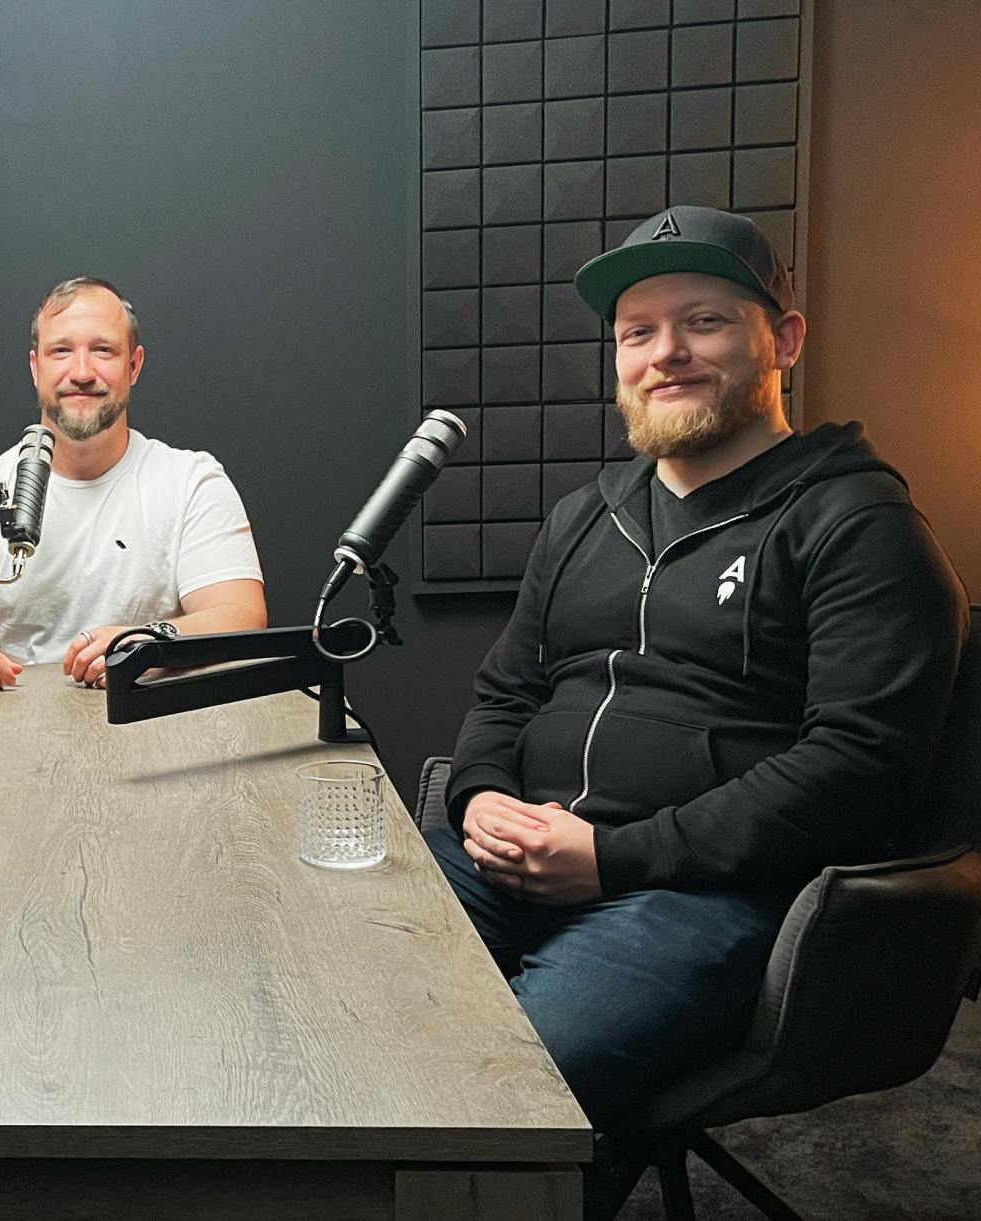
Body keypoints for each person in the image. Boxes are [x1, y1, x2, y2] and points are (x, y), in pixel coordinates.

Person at [428, 205, 967, 1210]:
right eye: (637, 332)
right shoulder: (580, 517)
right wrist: (477, 797)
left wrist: (609, 860)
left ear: (784, 340)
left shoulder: (854, 523)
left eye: (704, 321)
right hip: (514, 854)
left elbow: (856, 770)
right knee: (328, 998)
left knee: (507, 1095)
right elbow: (505, 691)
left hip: (697, 895)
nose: (664, 353)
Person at [0, 277, 267, 690]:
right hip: (9, 733)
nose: (82, 372)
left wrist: (149, 643)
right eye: (61, 351)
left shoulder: (192, 482)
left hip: (150, 722)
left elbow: (241, 616)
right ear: (35, 367)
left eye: (103, 350)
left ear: (133, 365)